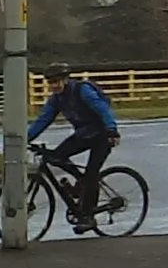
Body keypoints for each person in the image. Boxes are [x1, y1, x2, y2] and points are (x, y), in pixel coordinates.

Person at [27, 64, 122, 231]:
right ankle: (81, 184)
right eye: (51, 82)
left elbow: (102, 109)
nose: (54, 86)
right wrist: (25, 139)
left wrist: (112, 130)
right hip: (83, 134)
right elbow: (43, 119)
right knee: (54, 157)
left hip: (102, 135)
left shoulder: (82, 90)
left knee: (92, 174)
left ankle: (88, 217)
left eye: (56, 81)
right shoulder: (56, 99)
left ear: (65, 79)